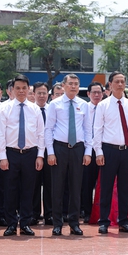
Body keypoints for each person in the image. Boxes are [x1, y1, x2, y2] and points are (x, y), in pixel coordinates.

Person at [0, 74, 45, 236]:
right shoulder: (5, 108)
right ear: (12, 90)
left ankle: (25, 223)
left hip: (30, 154)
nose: (21, 91)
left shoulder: (35, 109)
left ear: (28, 89)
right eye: (18, 88)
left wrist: (40, 156)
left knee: (28, 190)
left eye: (24, 88)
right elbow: (1, 135)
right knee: (10, 190)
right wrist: (3, 157)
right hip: (11, 154)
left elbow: (41, 134)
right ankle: (11, 223)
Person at [93, 72, 128, 234]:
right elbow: (97, 130)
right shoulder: (103, 105)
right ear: (110, 85)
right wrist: (98, 152)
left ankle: (124, 221)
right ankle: (104, 221)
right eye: (117, 82)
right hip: (109, 150)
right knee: (106, 187)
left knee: (124, 188)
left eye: (122, 82)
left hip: (126, 151)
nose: (120, 84)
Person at [45, 74, 91, 236]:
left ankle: (74, 223)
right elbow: (48, 129)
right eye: (70, 84)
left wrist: (88, 152)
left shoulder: (84, 105)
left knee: (76, 187)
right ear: (63, 86)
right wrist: (50, 152)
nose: (73, 86)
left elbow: (87, 130)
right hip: (59, 148)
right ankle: (57, 223)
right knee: (57, 187)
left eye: (76, 84)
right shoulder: (55, 104)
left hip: (78, 149)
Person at [81, 82, 103, 223]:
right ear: (88, 94)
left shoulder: (106, 108)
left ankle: (101, 212)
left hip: (102, 150)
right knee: (86, 184)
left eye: (99, 92)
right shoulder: (83, 109)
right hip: (88, 150)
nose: (96, 95)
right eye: (93, 92)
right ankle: (87, 212)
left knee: (103, 183)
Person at [31, 81, 52, 224]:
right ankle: (34, 213)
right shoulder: (30, 110)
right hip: (34, 151)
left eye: (44, 93)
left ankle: (49, 214)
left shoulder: (53, 109)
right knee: (33, 183)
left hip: (49, 151)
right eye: (39, 93)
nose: (42, 96)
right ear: (34, 94)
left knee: (50, 184)